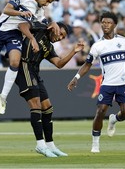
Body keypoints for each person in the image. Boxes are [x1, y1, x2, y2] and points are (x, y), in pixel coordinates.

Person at [67, 11, 125, 153]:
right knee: (100, 111)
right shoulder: (97, 46)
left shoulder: (124, 41)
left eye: (109, 23)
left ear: (115, 25)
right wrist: (76, 78)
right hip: (107, 85)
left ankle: (113, 120)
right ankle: (95, 144)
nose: (105, 25)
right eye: (103, 22)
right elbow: (87, 64)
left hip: (123, 83)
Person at [15, 21, 84, 157]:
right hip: (24, 67)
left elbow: (59, 64)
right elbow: (22, 26)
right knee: (36, 105)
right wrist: (32, 39)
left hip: (35, 72)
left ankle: (50, 145)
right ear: (55, 29)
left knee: (48, 108)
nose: (60, 38)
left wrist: (73, 51)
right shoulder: (40, 28)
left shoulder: (48, 46)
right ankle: (40, 145)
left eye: (63, 37)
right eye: (60, 34)